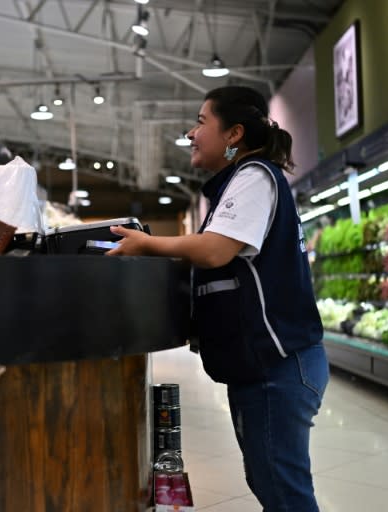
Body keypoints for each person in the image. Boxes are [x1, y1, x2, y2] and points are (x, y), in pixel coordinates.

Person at [107, 86, 328, 511]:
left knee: (283, 490)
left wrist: (146, 244)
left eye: (201, 122)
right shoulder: (239, 182)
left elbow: (215, 250)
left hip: (279, 364)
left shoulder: (255, 177)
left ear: (234, 134)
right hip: (265, 365)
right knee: (270, 481)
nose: (191, 133)